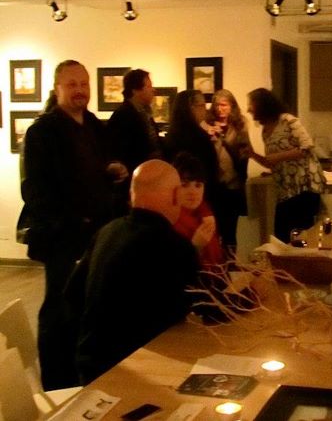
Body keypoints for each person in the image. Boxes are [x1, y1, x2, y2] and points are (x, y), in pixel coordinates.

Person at [20, 59, 127, 390]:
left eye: (83, 83)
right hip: (64, 238)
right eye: (72, 84)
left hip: (97, 233)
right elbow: (34, 190)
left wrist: (114, 170)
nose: (80, 90)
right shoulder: (42, 132)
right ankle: (57, 384)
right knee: (59, 309)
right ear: (57, 89)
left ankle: (85, 375)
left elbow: (102, 166)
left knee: (89, 305)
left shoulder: (93, 125)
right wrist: (69, 221)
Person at [71, 160, 200, 384]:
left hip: (91, 365)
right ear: (175, 195)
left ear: (132, 194)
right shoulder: (174, 246)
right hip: (144, 371)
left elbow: (72, 295)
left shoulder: (107, 232)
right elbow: (205, 310)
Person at [247, 88, 326, 243]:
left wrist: (277, 157)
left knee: (302, 238)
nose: (248, 109)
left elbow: (307, 147)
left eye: (251, 104)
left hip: (304, 186)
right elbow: (271, 163)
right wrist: (252, 154)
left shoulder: (288, 120)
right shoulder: (265, 131)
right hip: (285, 191)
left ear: (262, 104)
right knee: (281, 238)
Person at [107, 68, 163, 215]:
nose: (153, 90)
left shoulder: (144, 113)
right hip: (133, 187)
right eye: (148, 86)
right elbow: (122, 154)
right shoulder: (123, 116)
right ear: (135, 90)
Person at [202, 89, 251, 247]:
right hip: (213, 184)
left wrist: (224, 140)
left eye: (224, 105)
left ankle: (230, 261)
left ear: (231, 106)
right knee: (213, 230)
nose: (220, 109)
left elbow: (245, 153)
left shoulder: (239, 125)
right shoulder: (206, 124)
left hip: (233, 184)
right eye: (217, 105)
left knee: (230, 232)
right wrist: (208, 136)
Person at [165, 90, 220, 218]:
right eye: (202, 105)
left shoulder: (173, 134)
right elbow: (207, 169)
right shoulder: (196, 136)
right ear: (190, 108)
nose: (205, 110)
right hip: (198, 198)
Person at [172, 151, 224, 269]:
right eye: (184, 185)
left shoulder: (204, 216)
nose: (193, 192)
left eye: (198, 185)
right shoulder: (169, 221)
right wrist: (195, 247)